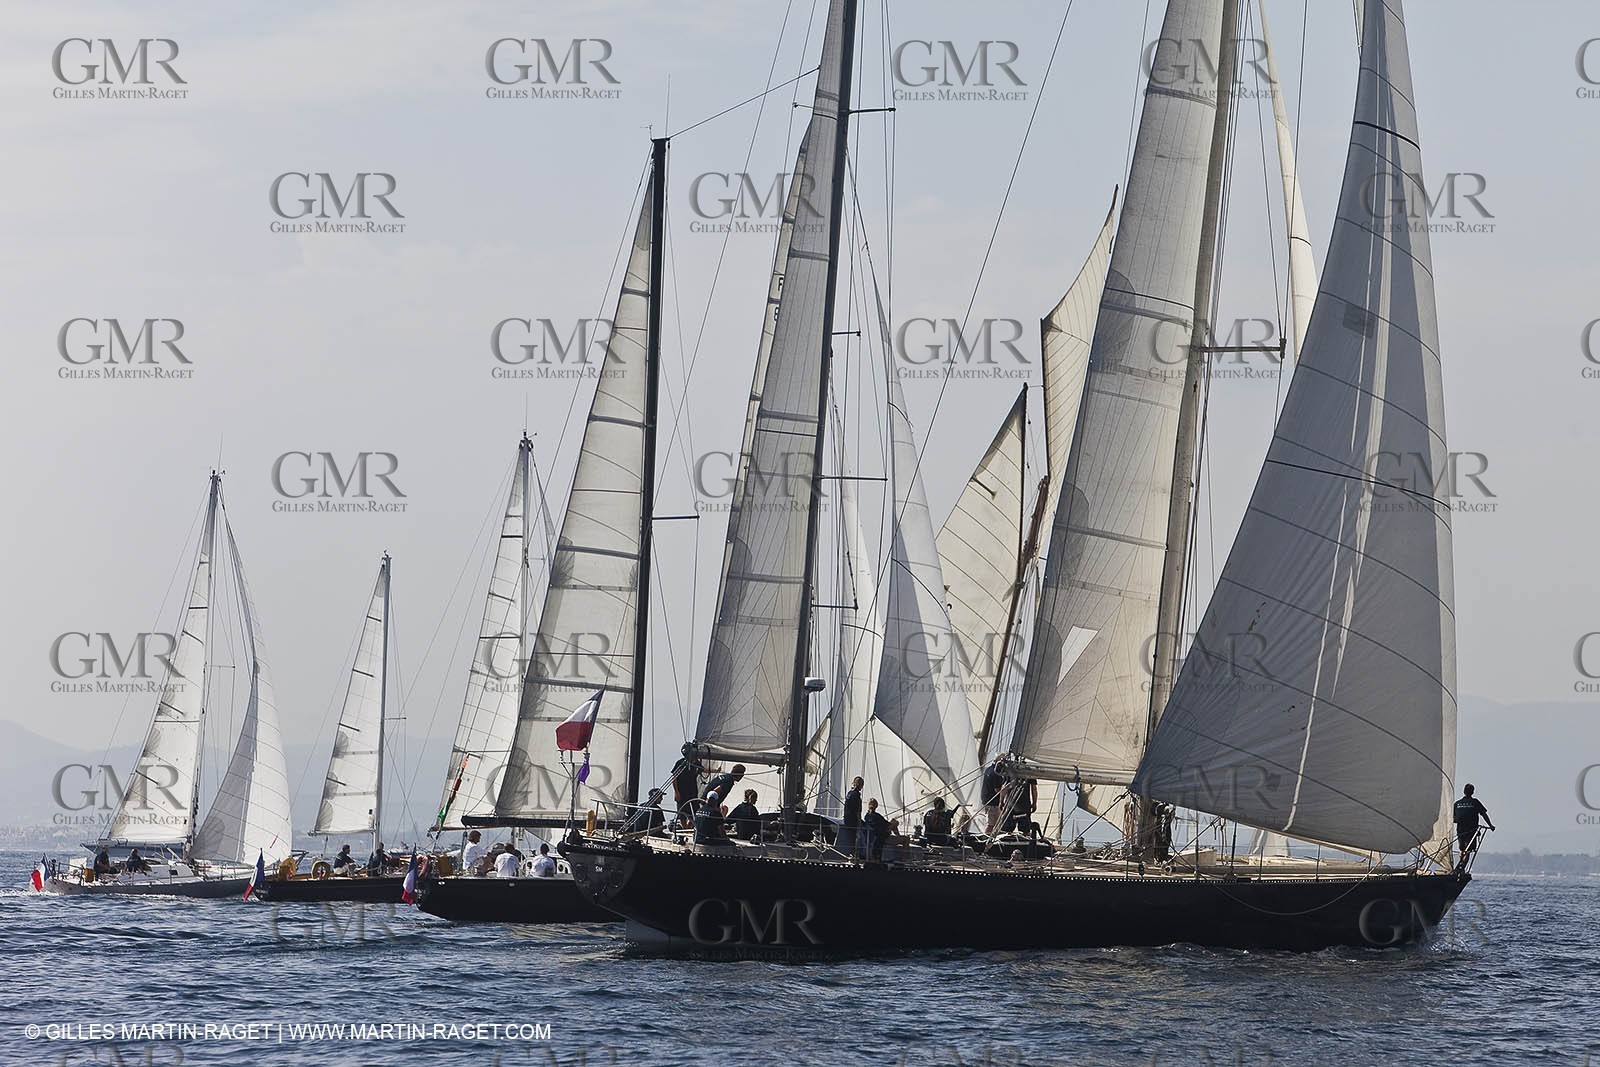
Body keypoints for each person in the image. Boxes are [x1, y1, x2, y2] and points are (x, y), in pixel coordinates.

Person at [1452, 784, 1496, 871]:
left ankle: (1460, 865)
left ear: (1464, 791)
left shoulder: (1457, 803)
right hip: (1471, 831)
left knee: (1462, 849)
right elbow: (1484, 814)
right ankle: (1461, 868)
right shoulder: (1475, 802)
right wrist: (1490, 826)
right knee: (1468, 850)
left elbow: (1454, 819)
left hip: (1460, 830)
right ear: (1472, 792)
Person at [670, 744, 703, 820]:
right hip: (682, 792)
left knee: (695, 811)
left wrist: (715, 770)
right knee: (682, 812)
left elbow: (703, 770)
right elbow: (674, 778)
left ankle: (689, 826)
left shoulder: (696, 763)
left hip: (692, 791)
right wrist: (676, 792)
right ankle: (684, 828)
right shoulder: (680, 763)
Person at [839, 776, 864, 856]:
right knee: (857, 836)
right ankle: (855, 853)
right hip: (853, 821)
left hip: (847, 818)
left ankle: (853, 852)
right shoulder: (856, 796)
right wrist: (859, 822)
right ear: (861, 786)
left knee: (853, 836)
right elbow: (858, 811)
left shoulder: (849, 793)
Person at [862, 798, 893, 863]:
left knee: (893, 823)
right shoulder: (877, 816)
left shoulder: (866, 816)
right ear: (876, 806)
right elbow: (886, 824)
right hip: (881, 837)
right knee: (905, 838)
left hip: (874, 836)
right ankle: (905, 859)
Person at [982, 762, 1006, 834]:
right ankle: (986, 839)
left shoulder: (988, 770)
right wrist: (1005, 794)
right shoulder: (996, 772)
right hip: (994, 803)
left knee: (994, 824)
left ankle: (988, 838)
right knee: (993, 824)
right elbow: (997, 789)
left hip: (987, 800)